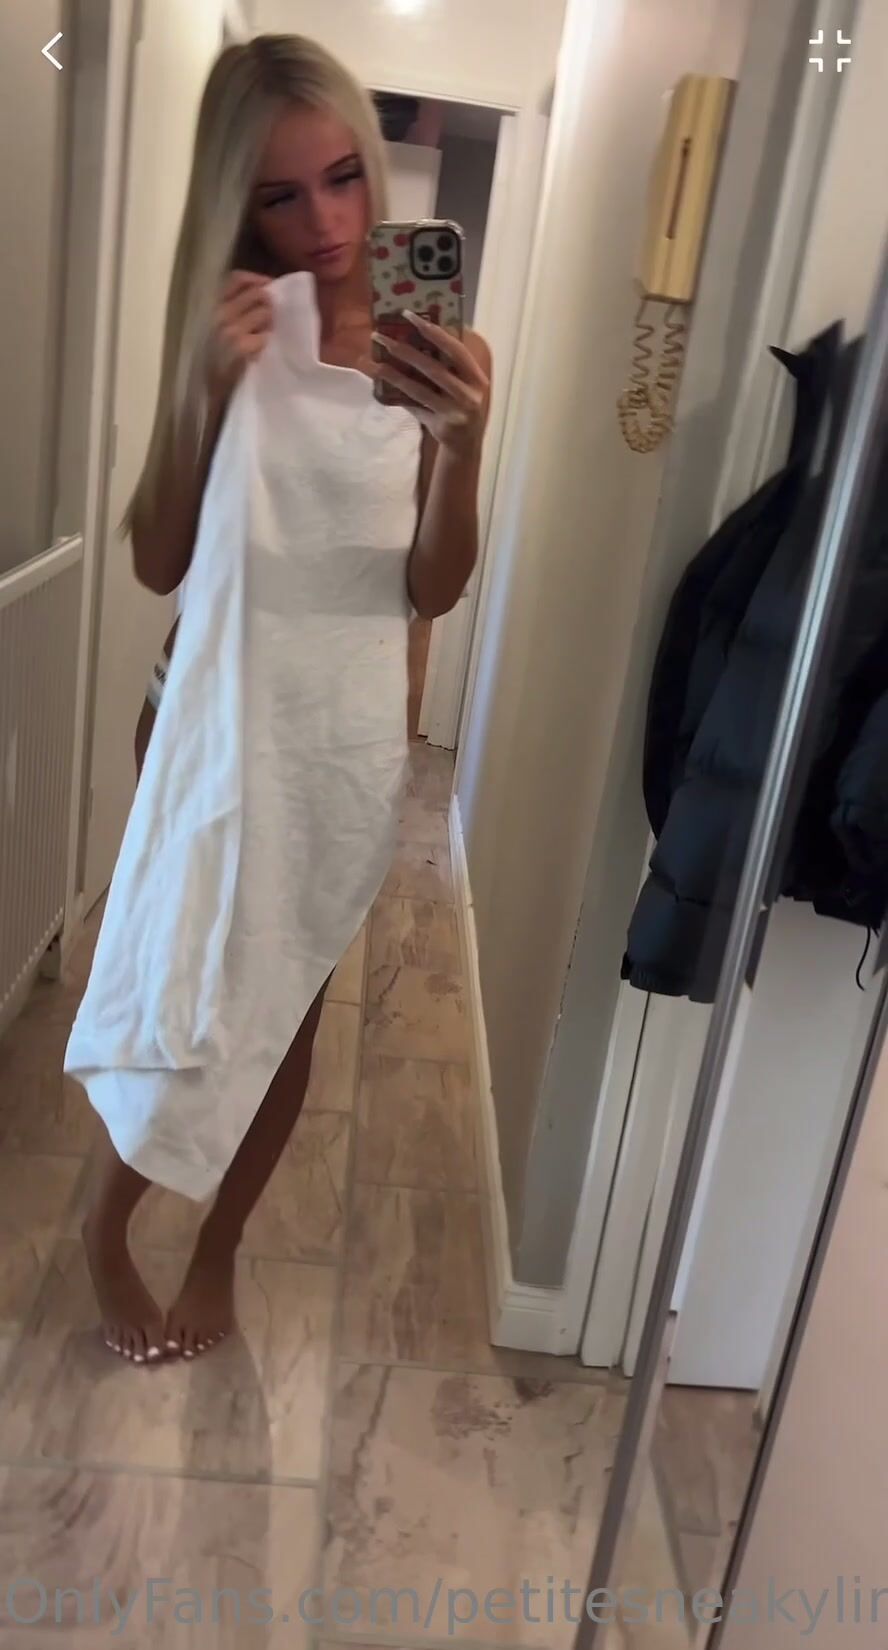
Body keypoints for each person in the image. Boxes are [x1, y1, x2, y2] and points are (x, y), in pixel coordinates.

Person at [78, 33, 491, 1366]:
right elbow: (156, 560)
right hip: (207, 719)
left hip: (342, 740)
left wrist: (464, 448)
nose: (323, 222)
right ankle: (105, 1224)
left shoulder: (443, 352)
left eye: (342, 178)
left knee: (285, 1008)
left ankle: (219, 1248)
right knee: (185, 985)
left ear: (374, 169)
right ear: (237, 206)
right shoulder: (234, 333)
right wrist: (201, 395)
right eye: (279, 195)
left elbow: (430, 587)